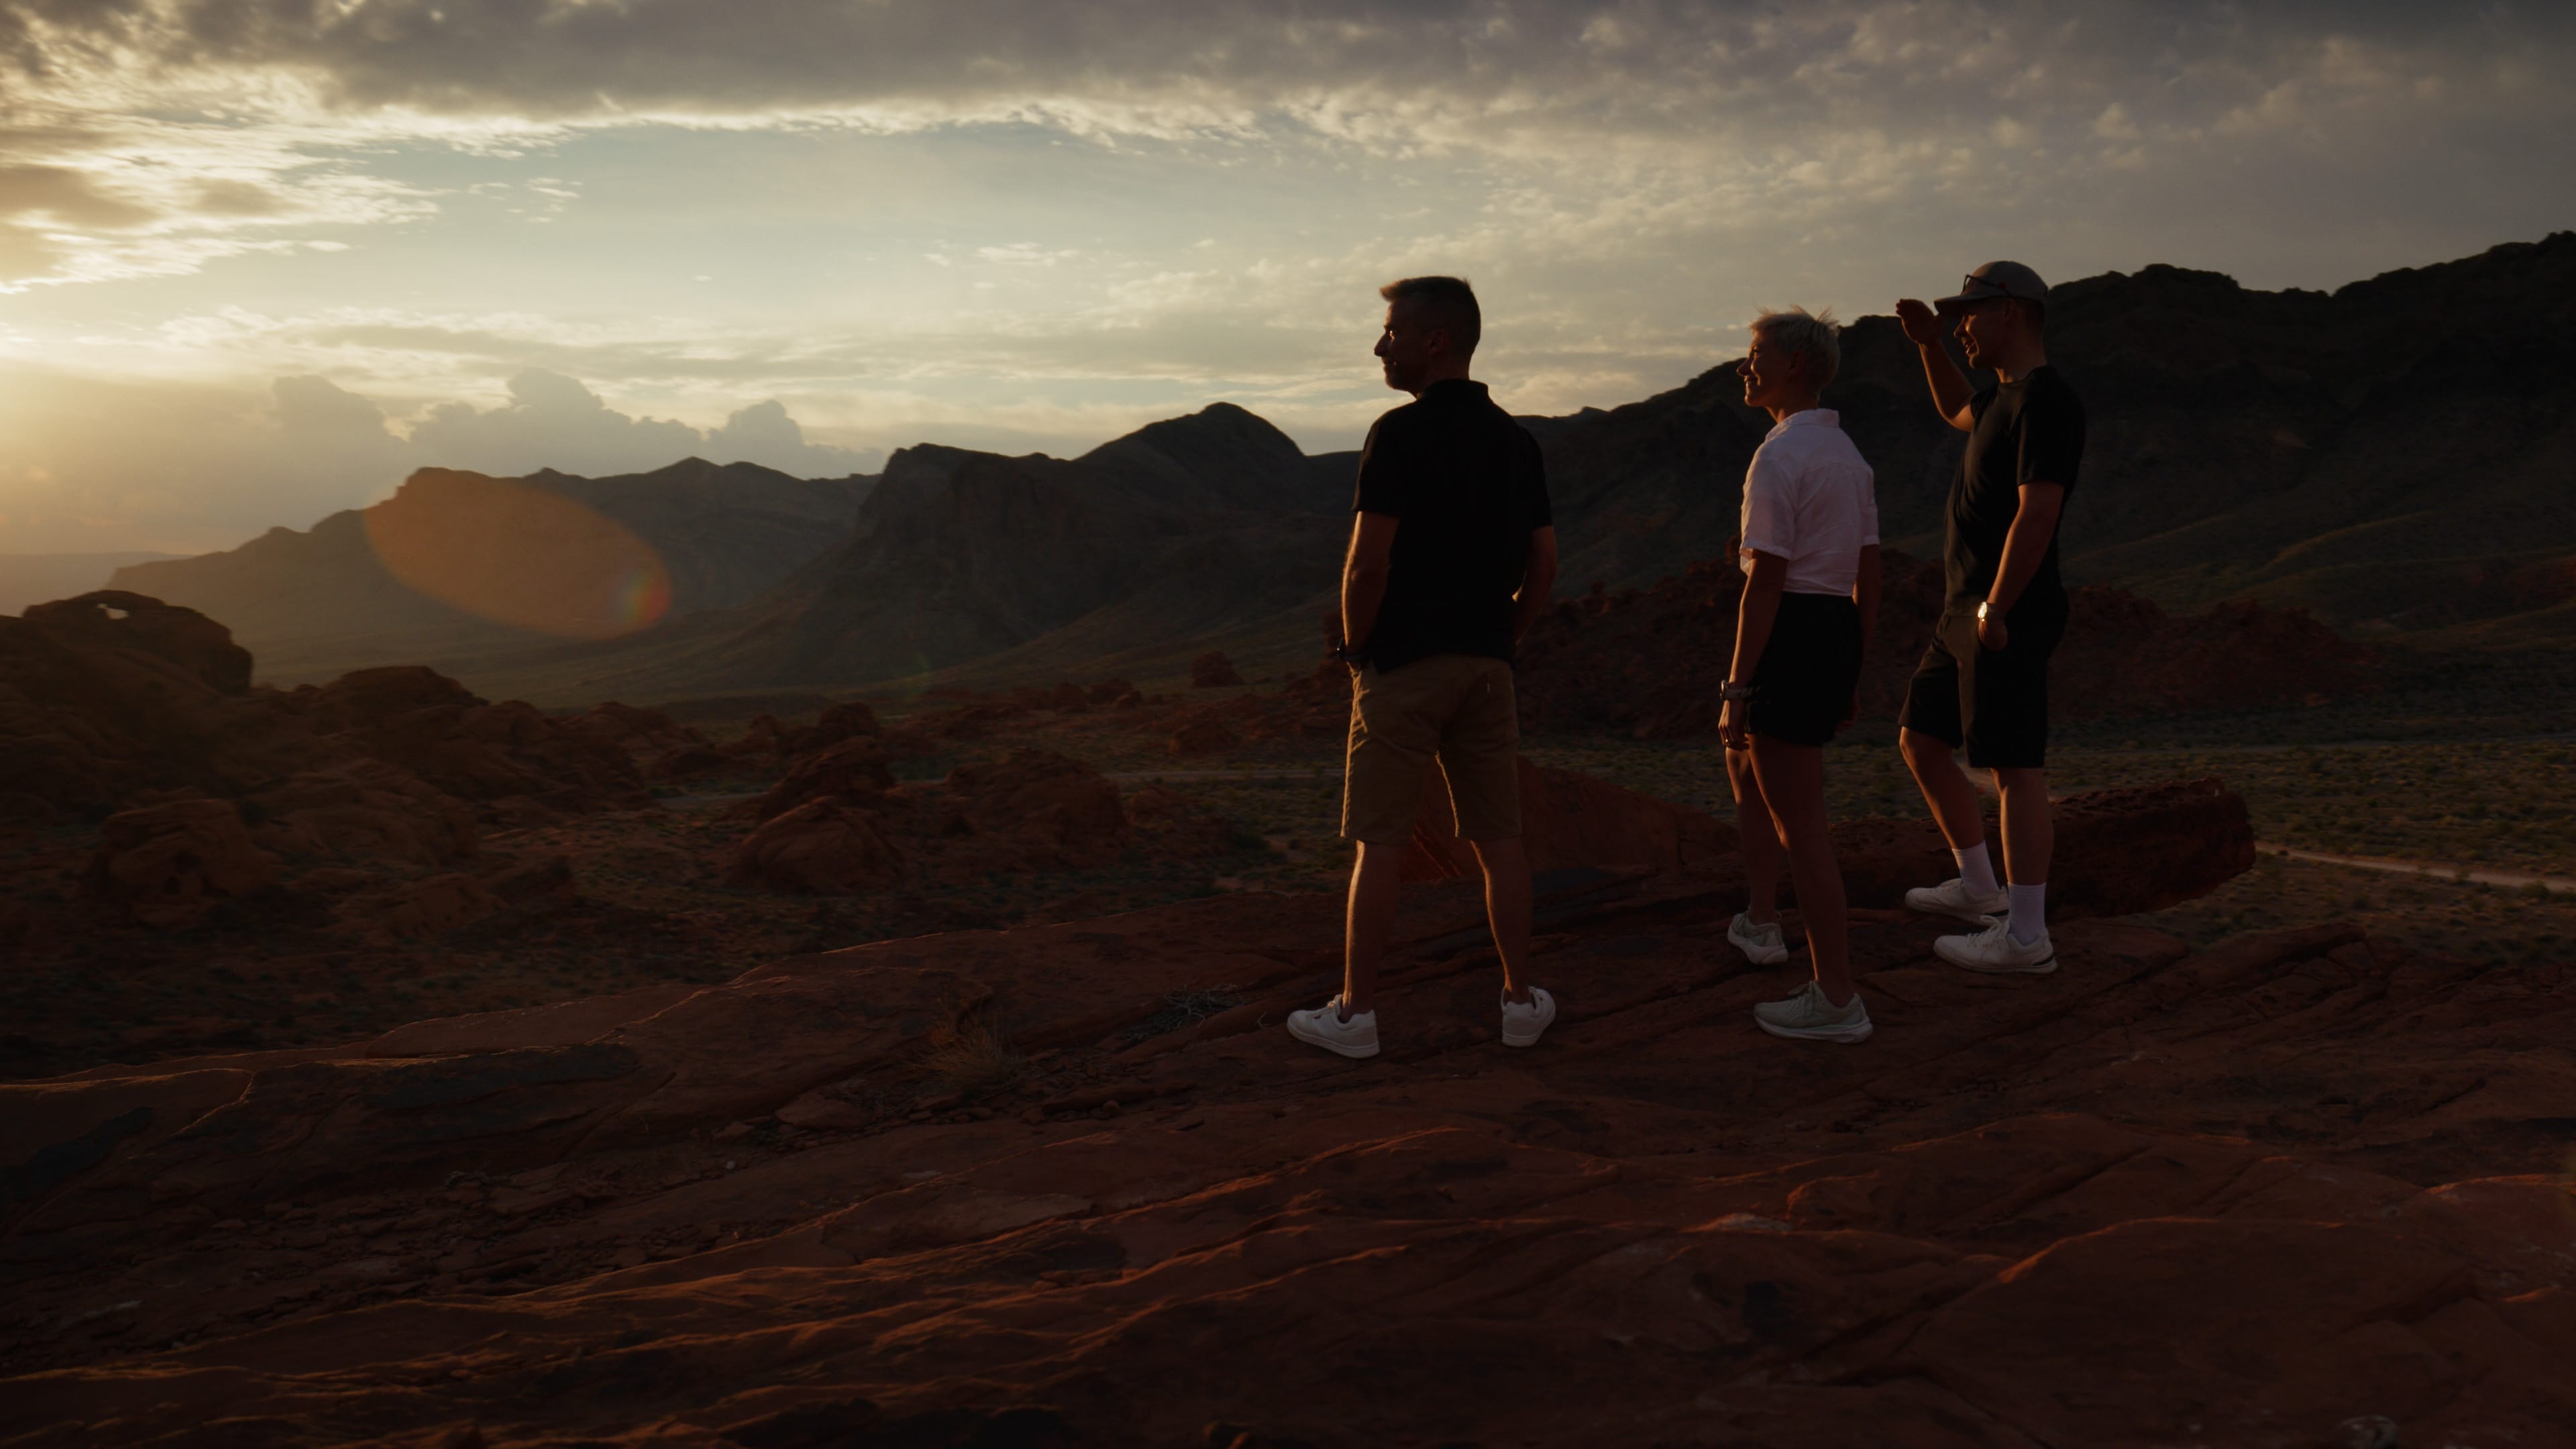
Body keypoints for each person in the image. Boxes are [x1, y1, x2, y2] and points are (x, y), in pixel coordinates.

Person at [1286, 275, 1558, 1061]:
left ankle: (1356, 1015)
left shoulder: (1399, 434)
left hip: (1405, 661)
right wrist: (1506, 633)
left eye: (1392, 330)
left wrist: (1353, 646)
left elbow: (1367, 564)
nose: (1381, 344)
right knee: (1499, 840)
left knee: (1381, 844)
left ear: (1435, 340)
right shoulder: (1517, 441)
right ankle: (1517, 1003)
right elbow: (1544, 562)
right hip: (1486, 665)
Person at [1891, 261, 2084, 973]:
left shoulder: (2047, 401)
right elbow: (1954, 411)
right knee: (1921, 740)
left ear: (2011, 311)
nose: (1961, 325)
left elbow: (2040, 509)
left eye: (1969, 313)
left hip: (2005, 609)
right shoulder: (2002, 400)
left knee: (2014, 767)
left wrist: (1999, 606)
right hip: (1965, 609)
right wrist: (1925, 345)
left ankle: (2027, 937)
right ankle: (1979, 889)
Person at [1719, 307, 1881, 1044]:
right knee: (1755, 774)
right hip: (1834, 630)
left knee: (1804, 829)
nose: (1746, 366)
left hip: (1791, 631)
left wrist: (1736, 687)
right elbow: (1868, 570)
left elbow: (1767, 582)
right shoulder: (1849, 456)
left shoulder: (1780, 458)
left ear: (1796, 367)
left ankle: (1837, 997)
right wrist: (1853, 667)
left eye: (1757, 354)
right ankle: (1759, 920)